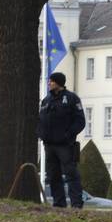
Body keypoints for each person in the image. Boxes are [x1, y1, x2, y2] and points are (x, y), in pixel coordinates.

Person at [38, 71, 85, 208]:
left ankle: (76, 203)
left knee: (71, 174)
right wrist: (41, 134)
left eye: (51, 81)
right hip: (50, 144)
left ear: (58, 83)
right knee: (53, 175)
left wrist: (69, 135)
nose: (49, 83)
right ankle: (59, 203)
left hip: (65, 145)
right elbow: (40, 120)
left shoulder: (71, 99)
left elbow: (80, 121)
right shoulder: (46, 100)